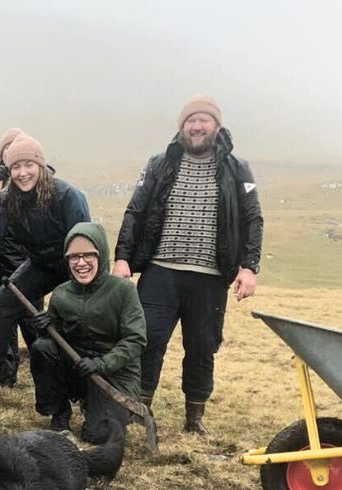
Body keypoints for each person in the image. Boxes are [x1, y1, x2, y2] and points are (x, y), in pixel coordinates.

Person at [112, 95, 263, 434]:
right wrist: (122, 257)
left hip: (210, 278)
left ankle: (194, 420)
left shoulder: (238, 169)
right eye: (189, 121)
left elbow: (253, 217)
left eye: (203, 120)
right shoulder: (159, 163)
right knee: (146, 341)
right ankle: (139, 409)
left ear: (216, 126)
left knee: (202, 348)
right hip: (159, 272)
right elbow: (135, 210)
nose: (196, 126)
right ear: (181, 127)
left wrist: (249, 266)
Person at [0, 134, 91, 388]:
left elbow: (86, 245)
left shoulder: (67, 195)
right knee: (3, 300)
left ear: (41, 166)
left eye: (28, 165)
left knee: (67, 316)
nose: (22, 173)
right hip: (40, 264)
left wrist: (74, 292)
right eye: (15, 167)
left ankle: (78, 373)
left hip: (74, 265)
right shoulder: (7, 197)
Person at [29, 222, 146, 442]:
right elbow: (54, 344)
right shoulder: (61, 293)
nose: (81, 263)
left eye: (88, 256)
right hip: (78, 368)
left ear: (101, 255)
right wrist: (45, 328)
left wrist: (102, 364)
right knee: (42, 348)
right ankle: (60, 413)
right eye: (74, 257)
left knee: (98, 434)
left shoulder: (123, 290)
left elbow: (135, 340)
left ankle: (104, 409)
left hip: (114, 375)